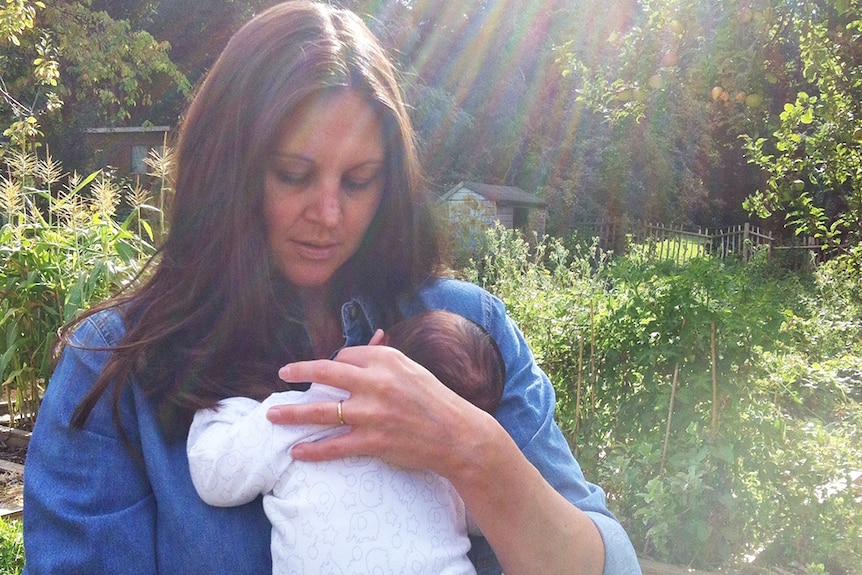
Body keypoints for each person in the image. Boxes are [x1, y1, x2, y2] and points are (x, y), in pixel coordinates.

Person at [22, 2, 642, 574]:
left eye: (360, 180)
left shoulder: (462, 327)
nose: (328, 213)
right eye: (294, 174)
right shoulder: (116, 367)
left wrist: (472, 452)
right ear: (226, 170)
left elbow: (610, 561)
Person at [187, 310, 505, 574]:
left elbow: (214, 477)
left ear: (378, 343)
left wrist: (232, 407)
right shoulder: (451, 465)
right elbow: (488, 521)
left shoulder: (296, 417)